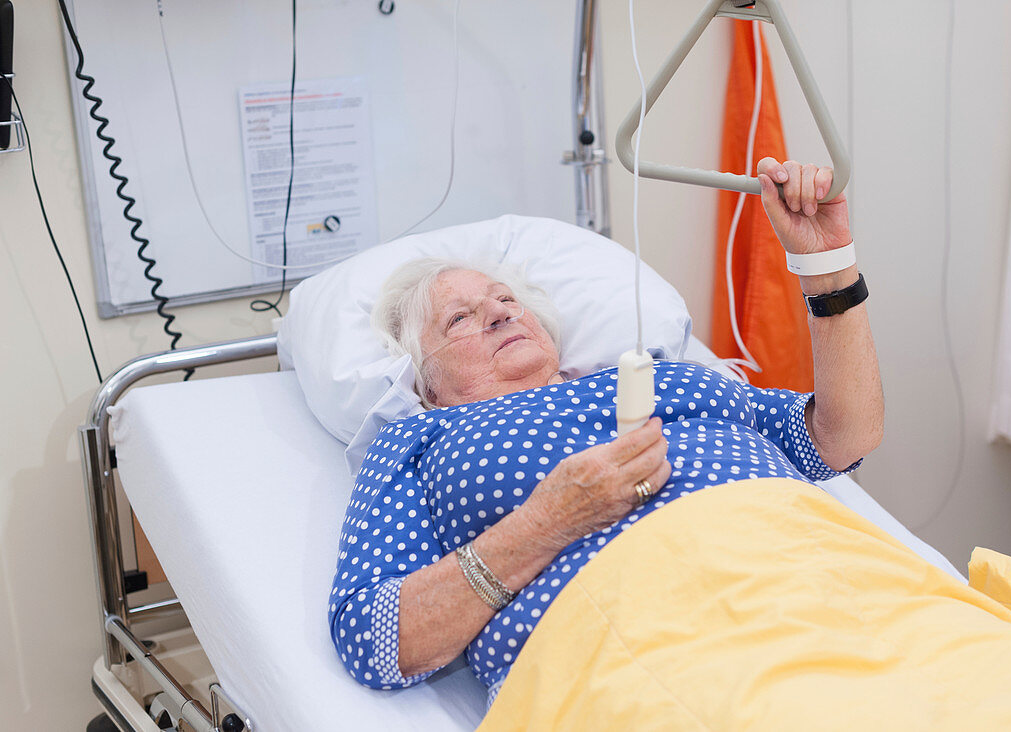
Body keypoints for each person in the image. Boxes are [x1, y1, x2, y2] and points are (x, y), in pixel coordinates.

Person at [328, 160, 884, 704]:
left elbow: (840, 440)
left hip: (826, 592)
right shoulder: (419, 440)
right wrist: (545, 523)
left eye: (505, 300)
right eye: (459, 319)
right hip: (643, 659)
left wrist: (828, 269)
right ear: (423, 381)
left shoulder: (663, 374)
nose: (499, 315)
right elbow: (372, 641)